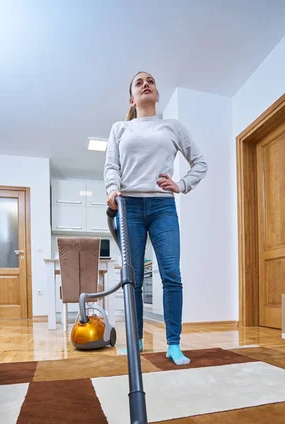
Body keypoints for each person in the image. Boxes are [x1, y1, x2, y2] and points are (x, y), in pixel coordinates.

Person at [104, 71, 207, 366]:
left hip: (162, 206)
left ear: (157, 95)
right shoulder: (120, 128)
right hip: (129, 207)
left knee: (171, 274)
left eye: (150, 81)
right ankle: (135, 342)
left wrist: (182, 184)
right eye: (139, 82)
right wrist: (112, 190)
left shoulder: (172, 127)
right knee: (133, 279)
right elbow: (111, 166)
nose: (146, 84)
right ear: (132, 99)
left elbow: (200, 162)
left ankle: (173, 343)